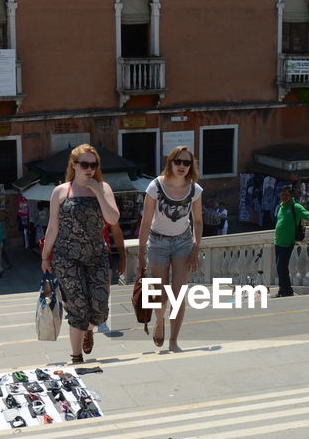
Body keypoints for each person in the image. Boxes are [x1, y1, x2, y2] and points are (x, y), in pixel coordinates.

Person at [42, 144, 120, 363]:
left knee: (99, 307)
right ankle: (76, 357)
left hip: (97, 256)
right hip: (66, 257)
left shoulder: (103, 188)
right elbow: (52, 227)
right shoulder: (61, 191)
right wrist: (45, 256)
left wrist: (97, 192)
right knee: (77, 306)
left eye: (93, 165)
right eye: (84, 164)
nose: (89, 169)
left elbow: (113, 219)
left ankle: (89, 329)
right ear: (74, 165)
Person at [137, 145, 202, 352]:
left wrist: (195, 247)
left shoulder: (195, 190)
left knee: (178, 294)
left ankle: (173, 341)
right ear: (170, 162)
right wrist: (140, 253)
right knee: (159, 294)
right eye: (178, 161)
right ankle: (159, 321)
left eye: (186, 162)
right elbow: (146, 222)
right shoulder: (155, 186)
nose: (182, 166)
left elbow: (198, 221)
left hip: (183, 242)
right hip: (157, 242)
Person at [272, 185, 309, 298]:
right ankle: (282, 290)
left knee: (281, 267)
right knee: (280, 268)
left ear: (291, 196)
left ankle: (286, 291)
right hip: (278, 242)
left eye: (286, 195)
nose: (284, 197)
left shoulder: (296, 207)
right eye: (282, 195)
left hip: (287, 243)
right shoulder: (280, 207)